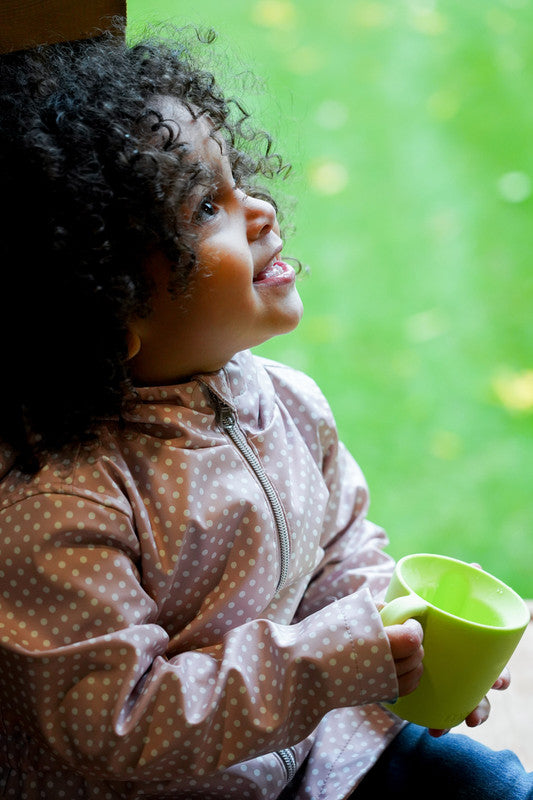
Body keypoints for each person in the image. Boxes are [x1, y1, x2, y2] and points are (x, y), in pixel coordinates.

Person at [0, 24, 530, 800]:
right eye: (205, 206)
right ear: (111, 307)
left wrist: (408, 638)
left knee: (491, 790)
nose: (259, 209)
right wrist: (336, 658)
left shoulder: (283, 400)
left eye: (237, 179)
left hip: (324, 753)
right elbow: (117, 722)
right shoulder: (63, 503)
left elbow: (342, 550)